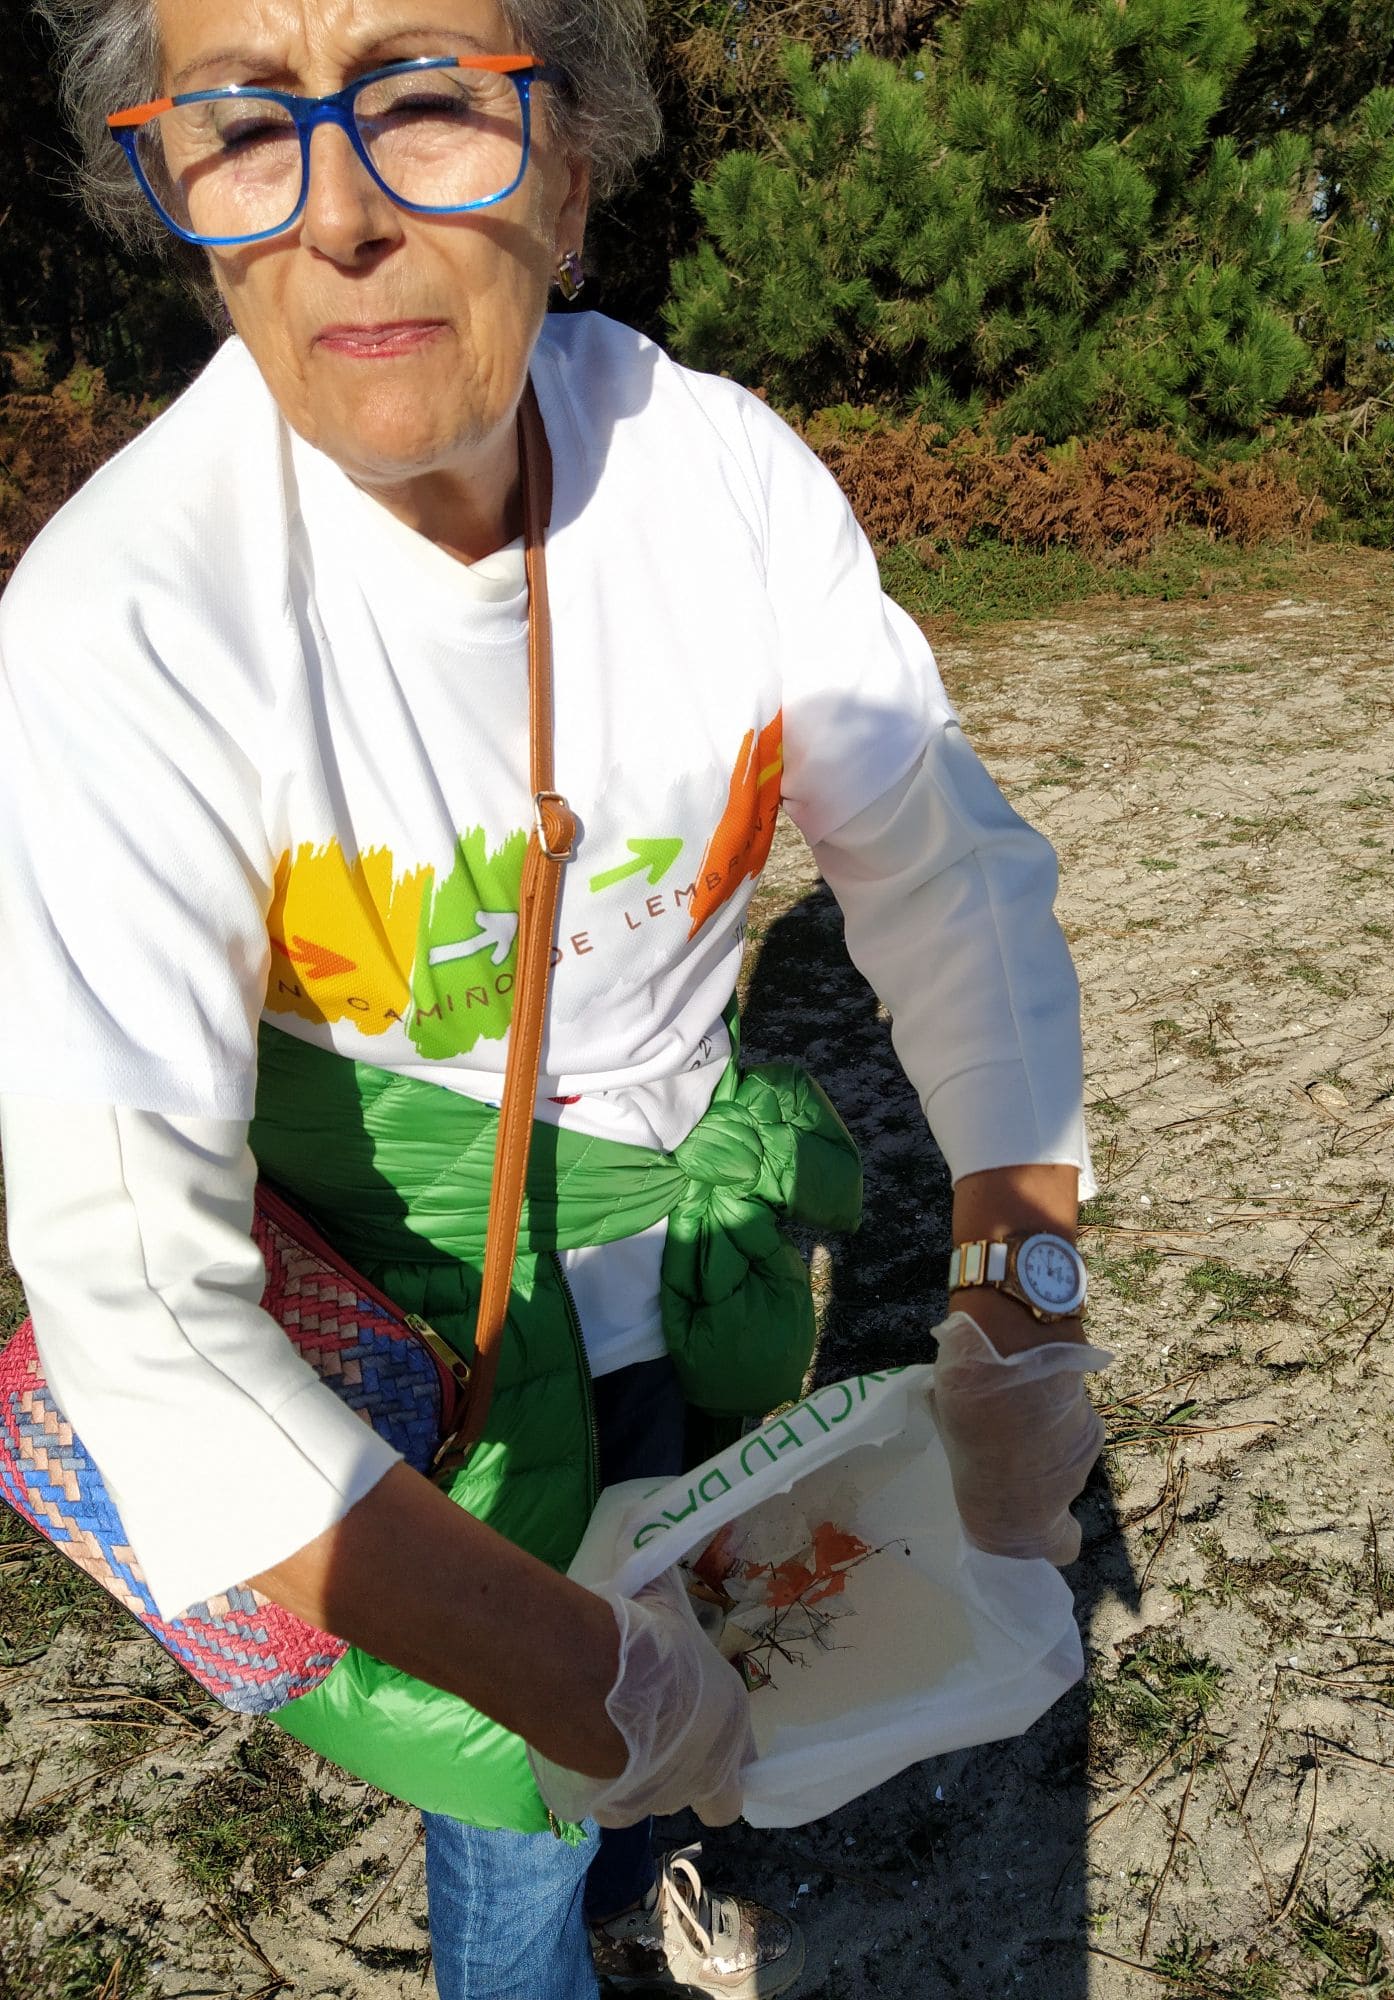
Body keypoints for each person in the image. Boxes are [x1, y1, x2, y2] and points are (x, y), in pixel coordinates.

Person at [0, 1, 1103, 1994]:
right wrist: (563, 1673)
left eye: (425, 102)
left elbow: (941, 865)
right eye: (245, 129)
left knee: (701, 1594)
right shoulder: (119, 629)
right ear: (181, 204)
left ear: (573, 169)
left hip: (676, 1259)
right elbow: (138, 1305)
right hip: (413, 1348)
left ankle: (626, 1856)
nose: (336, 213)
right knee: (520, 1794)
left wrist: (1024, 1305)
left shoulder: (716, 485)